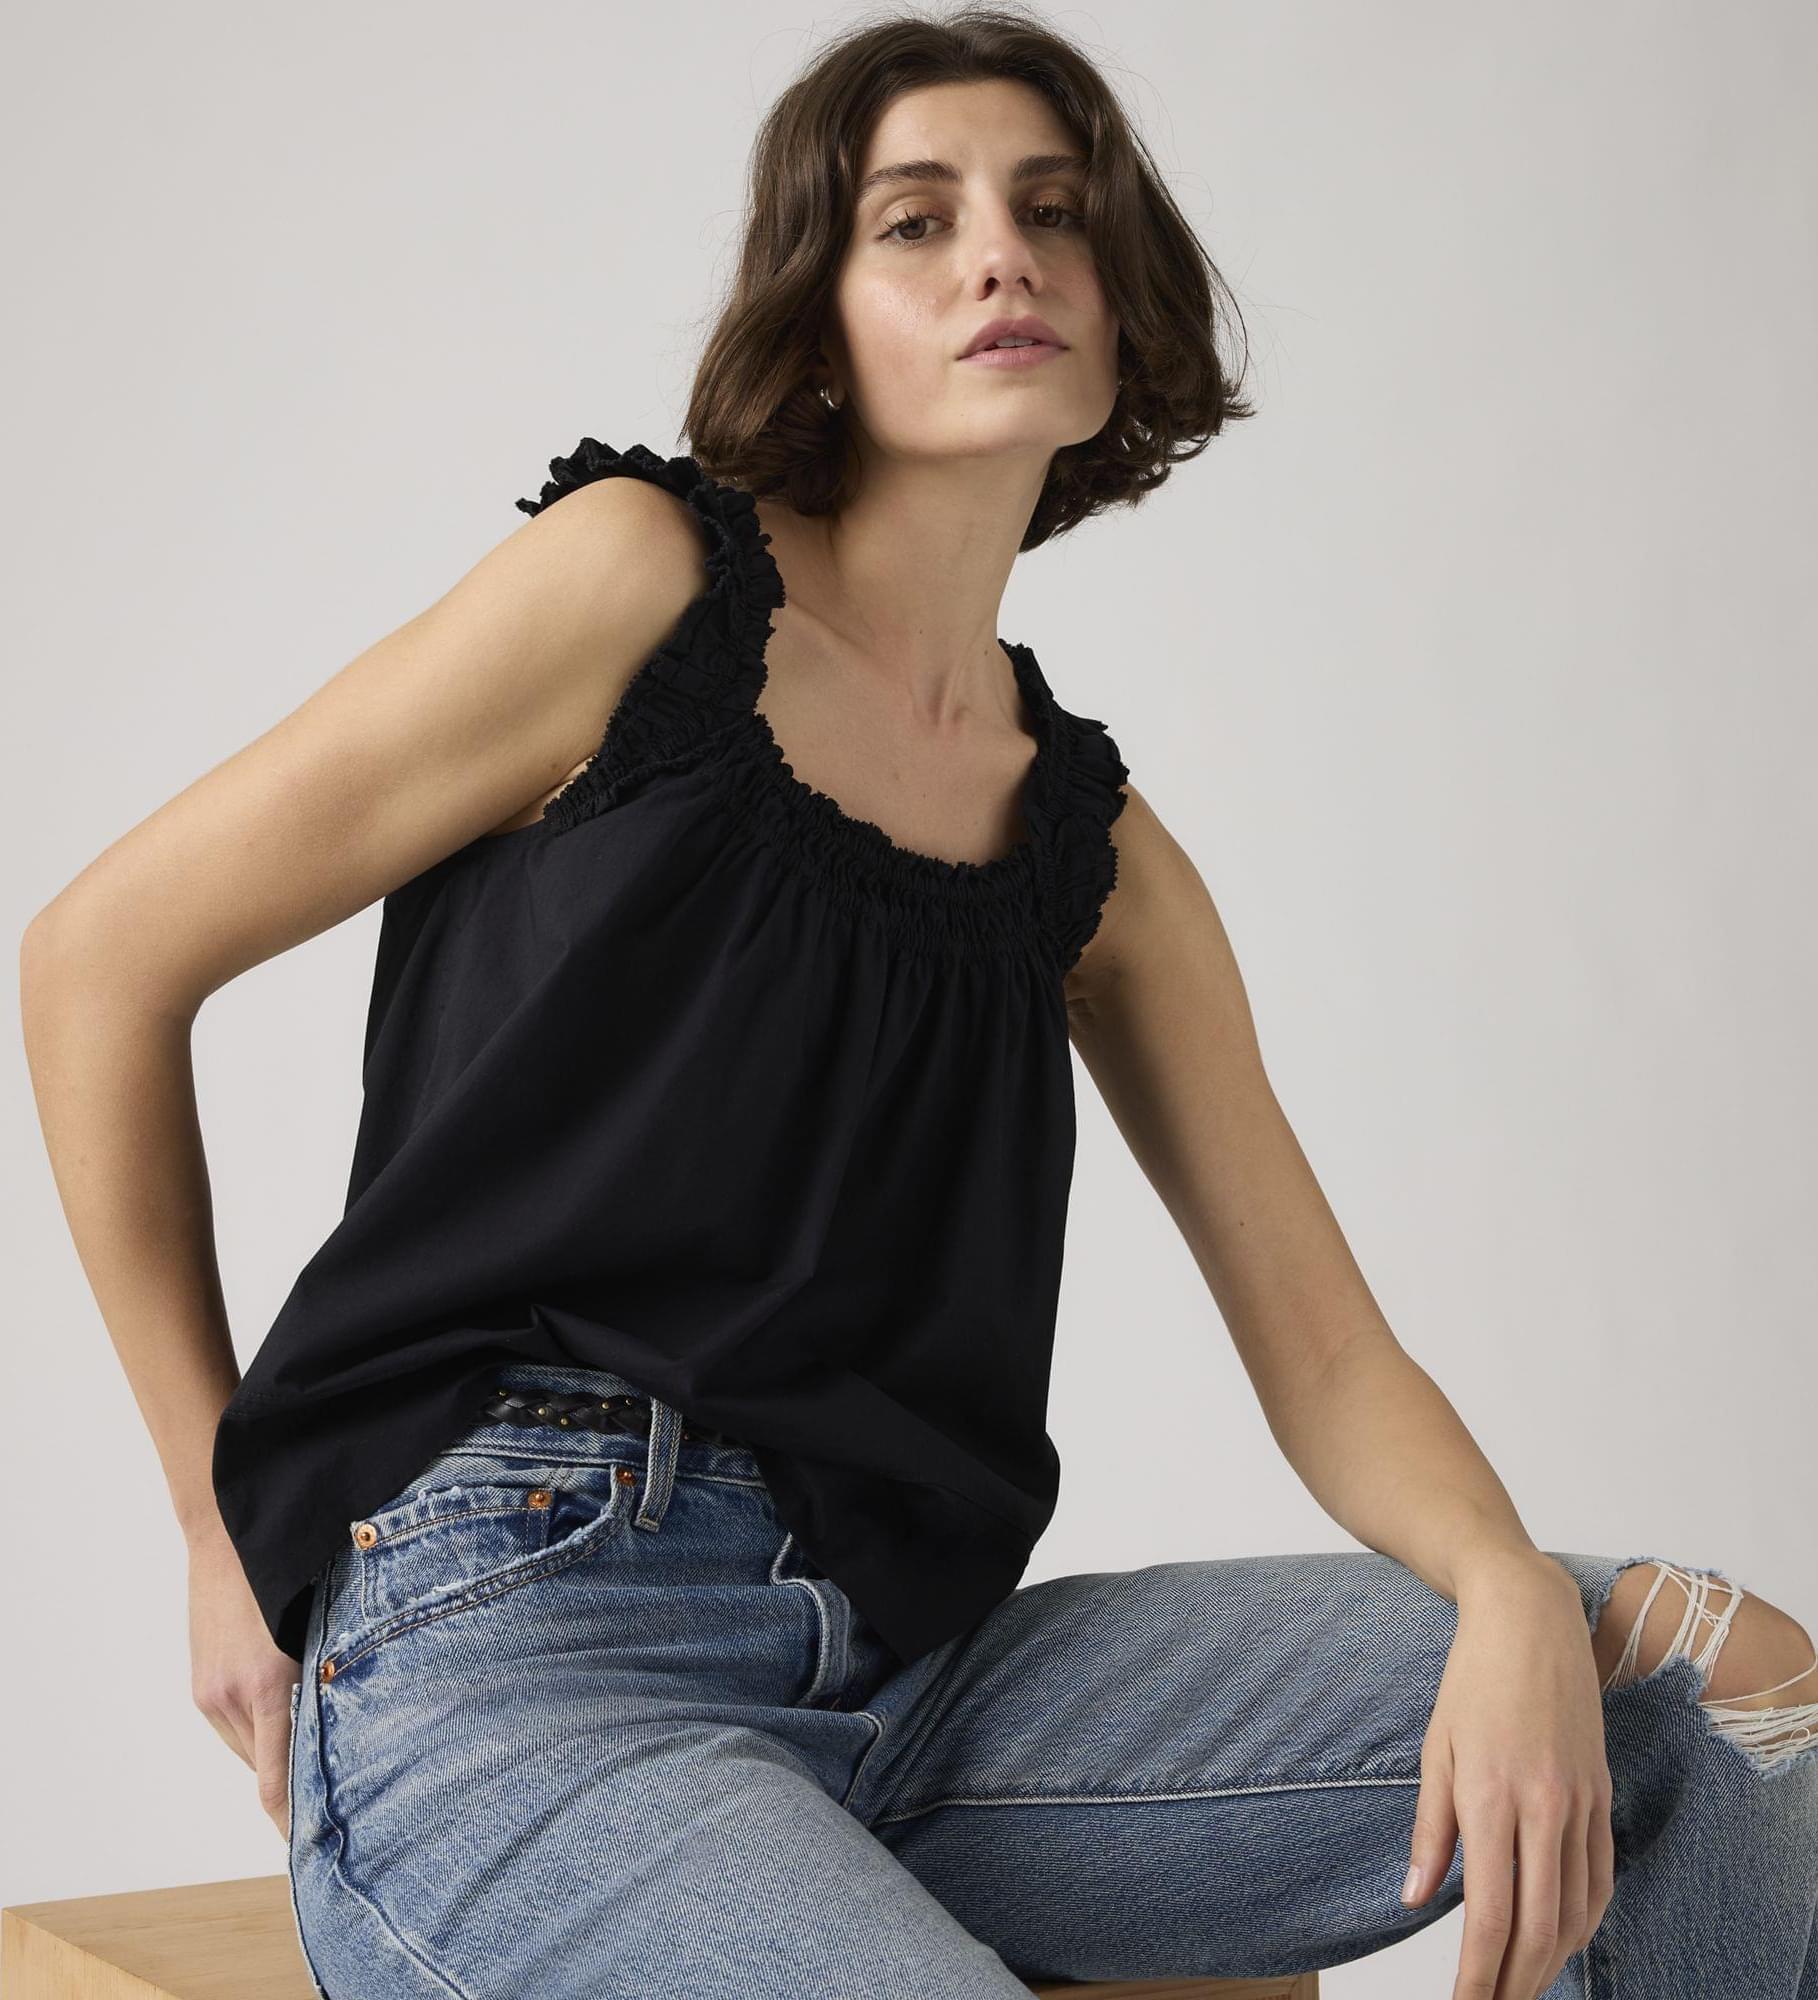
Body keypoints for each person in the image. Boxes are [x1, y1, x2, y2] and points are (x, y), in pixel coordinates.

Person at [20, 10, 1816, 1999]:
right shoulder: (631, 591)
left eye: (1054, 213)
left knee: (1719, 1685)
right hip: (518, 1647)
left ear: (1121, 313)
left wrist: (1504, 1585)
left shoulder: (1094, 854)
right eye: (915, 221)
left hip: (919, 1683)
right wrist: (220, 1529)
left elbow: (1327, 1354)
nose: (1000, 258)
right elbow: (100, 959)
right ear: (818, 321)